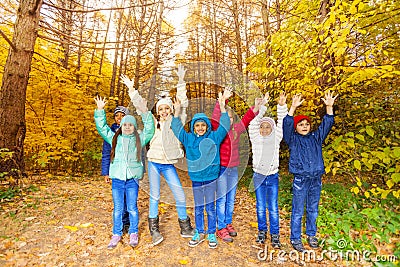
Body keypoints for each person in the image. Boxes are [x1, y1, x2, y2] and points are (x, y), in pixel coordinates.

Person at [120, 65, 195, 246]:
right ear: (157, 111)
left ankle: (185, 227)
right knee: (154, 195)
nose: (163, 111)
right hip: (154, 163)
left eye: (166, 109)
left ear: (170, 110)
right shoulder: (152, 123)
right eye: (161, 109)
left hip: (168, 164)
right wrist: (131, 89)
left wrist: (181, 81)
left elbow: (183, 104)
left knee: (179, 194)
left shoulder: (176, 123)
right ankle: (154, 230)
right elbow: (140, 108)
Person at [171, 91, 231, 249]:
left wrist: (223, 106)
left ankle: (211, 232)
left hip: (211, 177)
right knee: (198, 207)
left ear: (207, 126)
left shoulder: (214, 137)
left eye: (203, 125)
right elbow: (176, 128)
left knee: (210, 207)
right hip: (197, 178)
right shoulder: (188, 138)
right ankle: (199, 231)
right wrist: (177, 111)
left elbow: (225, 125)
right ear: (193, 127)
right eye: (197, 125)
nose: (200, 128)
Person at [94, 96, 155, 249]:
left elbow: (150, 129)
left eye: (130, 125)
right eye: (124, 124)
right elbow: (102, 129)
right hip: (117, 181)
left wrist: (144, 111)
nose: (127, 127)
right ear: (120, 126)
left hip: (132, 180)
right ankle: (116, 233)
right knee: (118, 208)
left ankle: (133, 232)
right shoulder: (115, 138)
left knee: (132, 208)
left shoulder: (139, 139)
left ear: (134, 127)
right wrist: (100, 111)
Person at [283, 91, 338, 252]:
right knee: (298, 210)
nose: (304, 127)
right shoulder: (292, 139)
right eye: (301, 124)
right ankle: (295, 238)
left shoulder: (316, 138)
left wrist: (329, 107)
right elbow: (287, 124)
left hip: (316, 179)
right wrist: (292, 107)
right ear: (296, 128)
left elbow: (327, 124)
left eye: (306, 124)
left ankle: (311, 235)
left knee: (313, 208)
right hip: (301, 179)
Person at [211, 90, 259, 243]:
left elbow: (247, 118)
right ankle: (221, 227)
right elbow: (214, 118)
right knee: (222, 199)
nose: (229, 120)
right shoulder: (218, 131)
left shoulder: (237, 130)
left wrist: (256, 107)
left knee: (231, 199)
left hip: (233, 170)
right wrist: (221, 102)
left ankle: (228, 222)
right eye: (227, 118)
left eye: (231, 118)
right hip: (222, 169)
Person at [249, 92, 288, 248]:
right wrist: (262, 106)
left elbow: (282, 122)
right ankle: (262, 231)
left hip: (272, 177)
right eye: (262, 126)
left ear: (272, 129)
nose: (265, 129)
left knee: (272, 207)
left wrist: (282, 106)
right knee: (260, 206)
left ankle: (275, 234)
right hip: (258, 176)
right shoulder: (255, 138)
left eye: (268, 127)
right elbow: (253, 123)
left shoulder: (276, 138)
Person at [100, 106, 130, 231]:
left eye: (122, 116)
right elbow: (106, 153)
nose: (119, 118)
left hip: (129, 171)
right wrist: (106, 172)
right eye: (117, 115)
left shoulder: (132, 131)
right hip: (116, 170)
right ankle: (121, 223)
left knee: (129, 198)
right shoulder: (110, 133)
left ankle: (128, 221)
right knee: (119, 199)